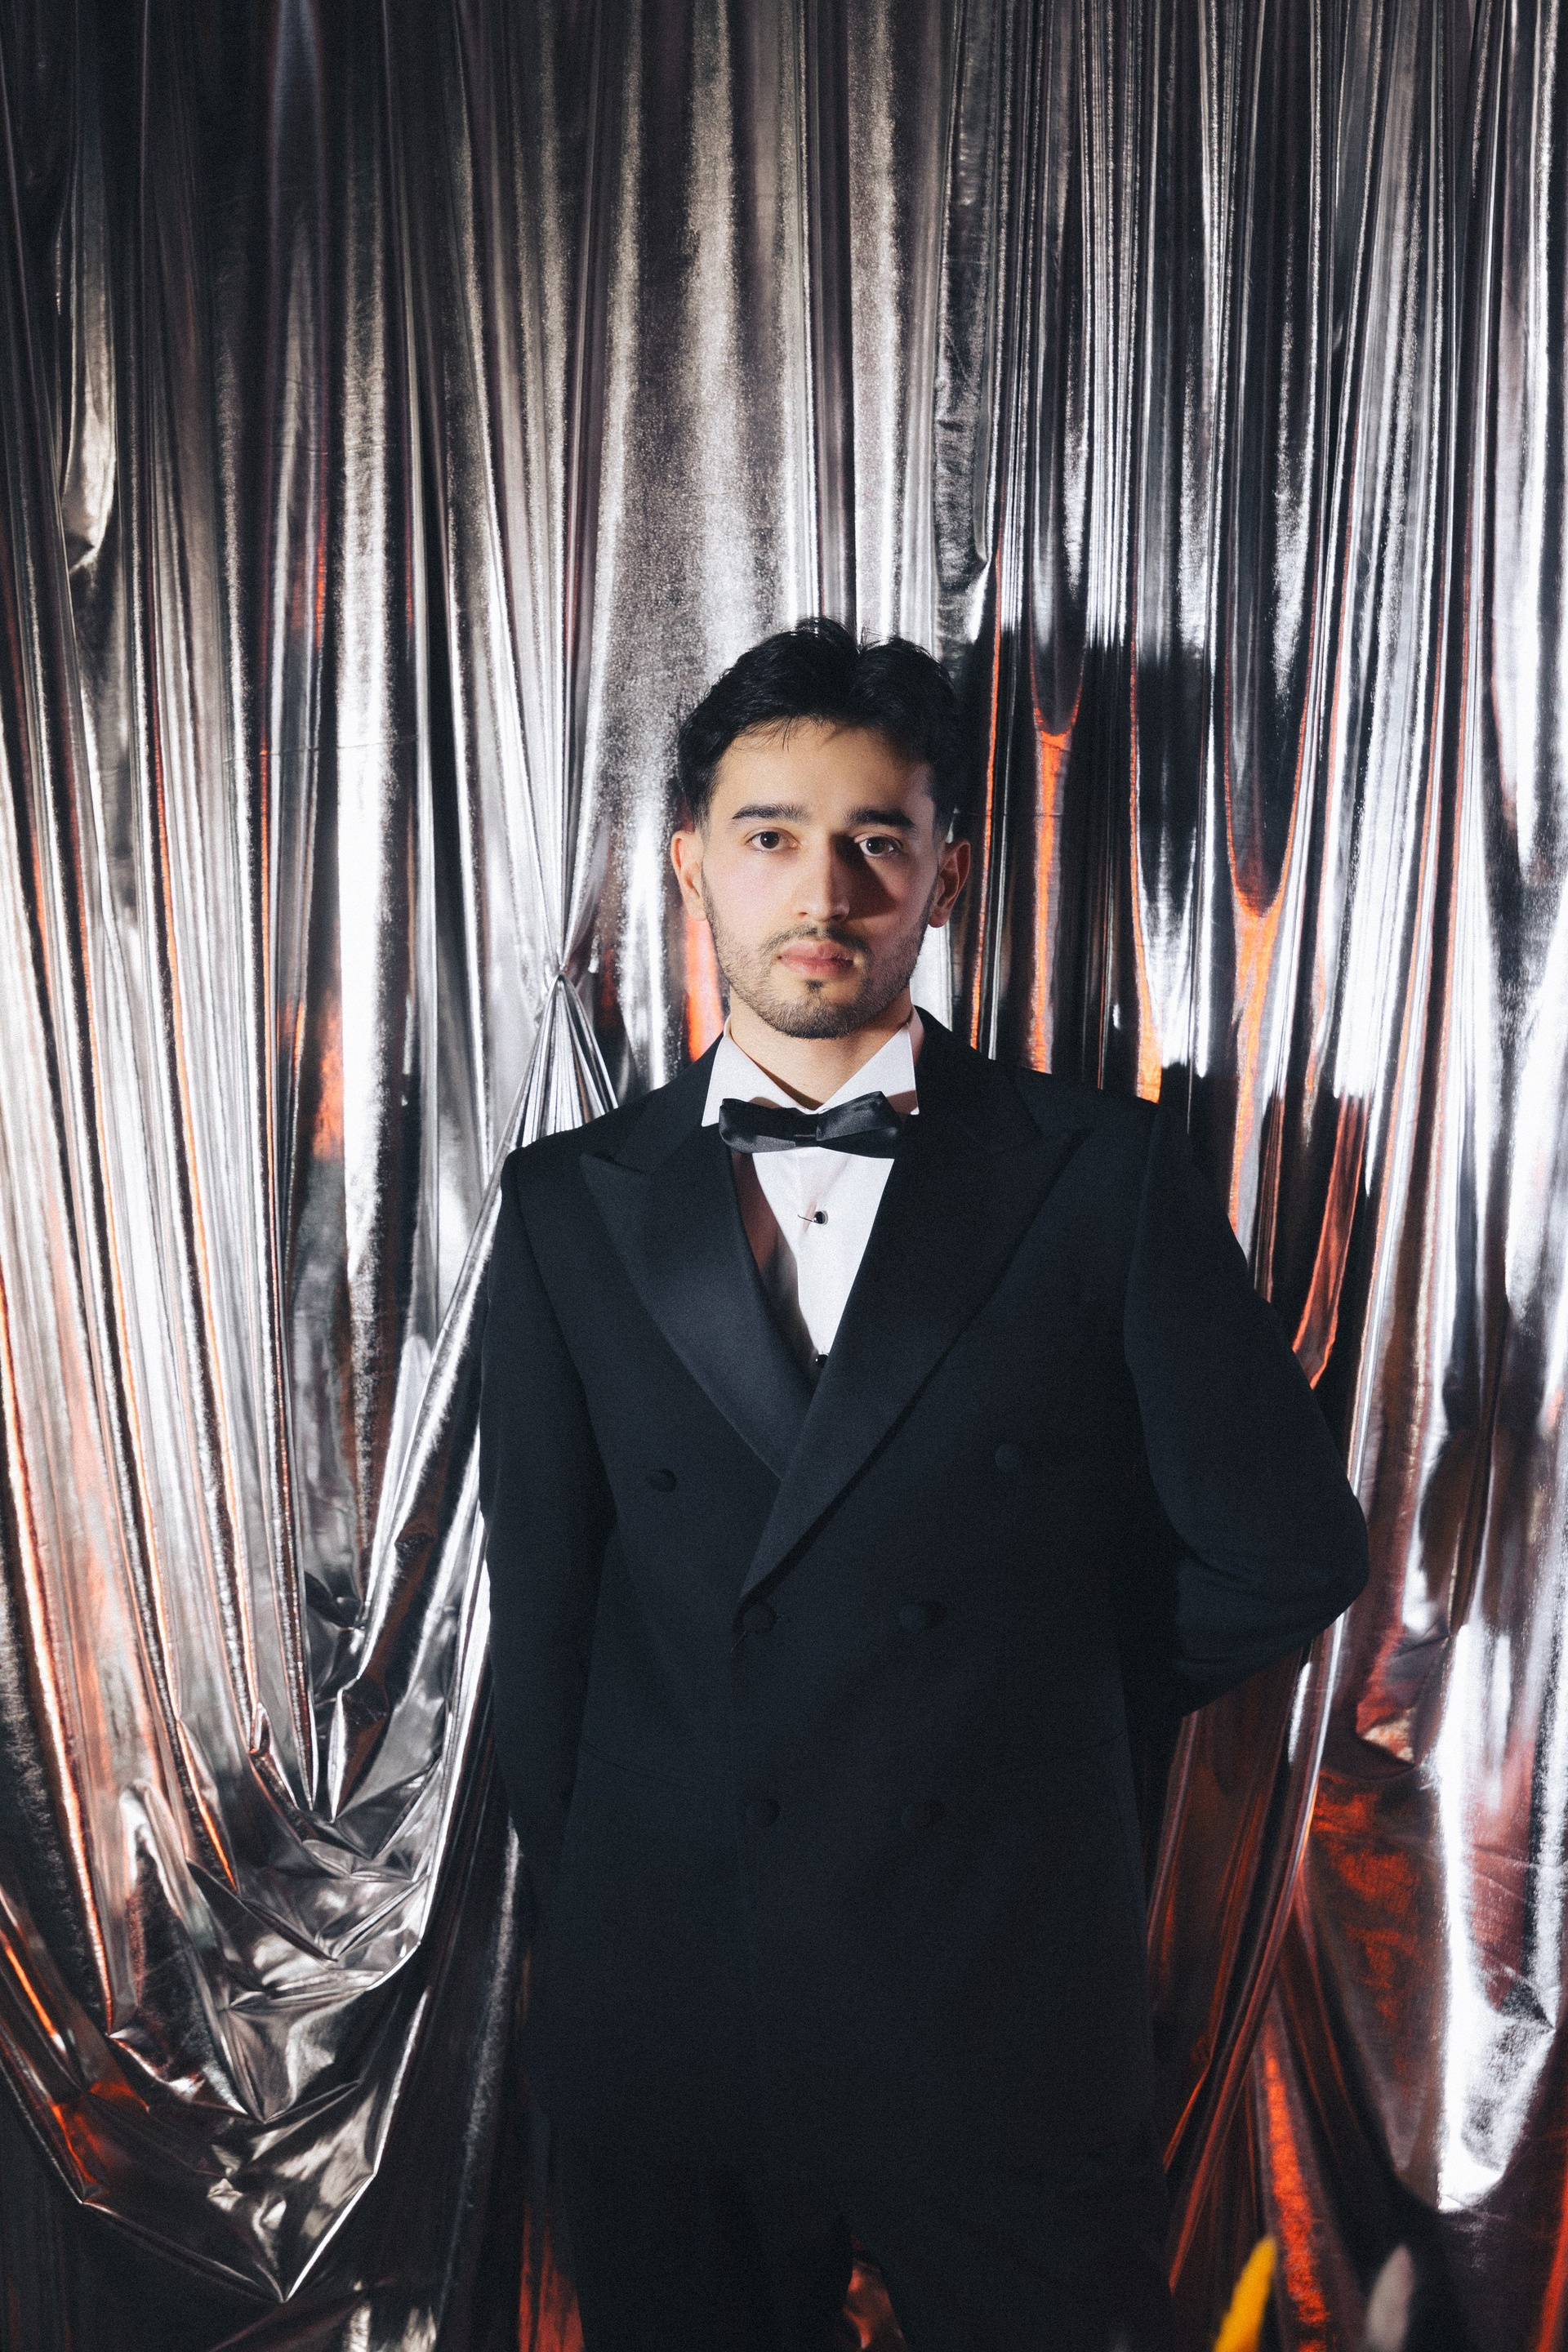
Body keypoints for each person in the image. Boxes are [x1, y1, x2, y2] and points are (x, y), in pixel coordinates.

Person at [478, 619, 1369, 2352]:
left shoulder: (1097, 1174)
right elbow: (551, 1632)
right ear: (692, 865)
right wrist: (602, 1943)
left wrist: (1026, 1690)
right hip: (676, 2004)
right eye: (772, 835)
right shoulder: (569, 1203)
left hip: (999, 1994)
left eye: (876, 839)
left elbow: (1285, 1546)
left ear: (947, 874)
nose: (826, 889)